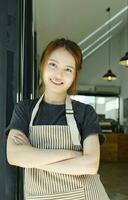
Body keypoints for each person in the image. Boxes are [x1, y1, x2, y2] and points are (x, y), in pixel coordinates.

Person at [6, 38, 110, 200]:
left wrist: (32, 158)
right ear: (42, 65)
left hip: (84, 194)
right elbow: (14, 156)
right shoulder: (24, 109)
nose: (58, 74)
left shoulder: (85, 112)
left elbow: (90, 165)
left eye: (68, 69)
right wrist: (72, 154)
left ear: (75, 74)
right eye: (53, 64)